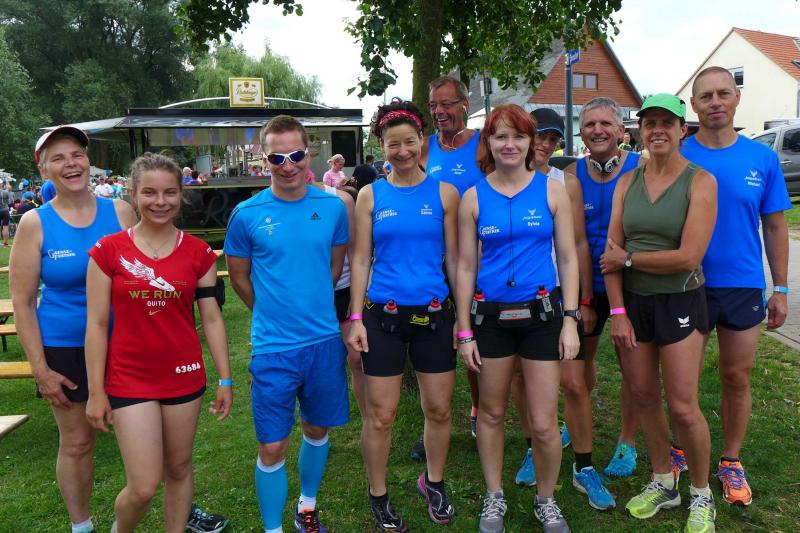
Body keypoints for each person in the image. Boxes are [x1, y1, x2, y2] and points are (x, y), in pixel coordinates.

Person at [85, 153, 233, 533]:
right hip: (129, 376)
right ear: (133, 194)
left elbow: (211, 318)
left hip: (184, 373)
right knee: (144, 485)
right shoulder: (107, 251)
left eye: (169, 192)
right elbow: (97, 325)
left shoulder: (199, 253)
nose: (160, 201)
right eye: (149, 192)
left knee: (179, 468)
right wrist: (96, 392)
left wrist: (225, 379)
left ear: (181, 195)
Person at [456, 104, 580, 533]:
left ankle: (547, 499)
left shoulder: (552, 191)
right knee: (491, 414)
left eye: (519, 136)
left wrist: (570, 319)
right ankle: (494, 496)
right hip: (490, 320)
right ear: (488, 142)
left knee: (544, 423)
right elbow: (466, 267)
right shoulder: (473, 198)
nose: (510, 144)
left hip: (542, 318)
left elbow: (568, 257)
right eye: (501, 136)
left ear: (530, 143)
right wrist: (464, 330)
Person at [224, 115, 349, 533]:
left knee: (316, 427)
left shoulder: (332, 207)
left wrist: (310, 305)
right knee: (273, 445)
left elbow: (334, 268)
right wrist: (270, 311)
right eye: (277, 157)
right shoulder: (246, 214)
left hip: (323, 341)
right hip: (273, 347)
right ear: (265, 159)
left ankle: (307, 506)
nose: (288, 165)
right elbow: (238, 277)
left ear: (309, 153)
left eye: (295, 154)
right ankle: (272, 528)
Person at [599, 93, 718, 532]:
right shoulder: (627, 182)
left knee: (683, 406)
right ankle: (664, 480)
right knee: (645, 396)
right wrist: (618, 311)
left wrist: (630, 259)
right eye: (649, 123)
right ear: (639, 131)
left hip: (680, 301)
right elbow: (609, 254)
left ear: (683, 129)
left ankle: (701, 494)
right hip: (634, 304)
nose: (657, 130)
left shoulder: (700, 181)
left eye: (667, 122)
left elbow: (688, 257)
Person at [10, 126, 137, 533]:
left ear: (88, 160)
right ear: (43, 168)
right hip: (65, 347)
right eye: (58, 158)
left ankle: (179, 508)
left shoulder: (121, 212)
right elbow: (23, 303)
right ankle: (81, 526)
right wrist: (40, 369)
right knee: (78, 443)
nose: (71, 164)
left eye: (77, 154)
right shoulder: (34, 223)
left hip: (125, 343)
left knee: (149, 435)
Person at [677, 66, 791, 507]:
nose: (715, 103)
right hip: (687, 284)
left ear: (737, 98)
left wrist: (781, 289)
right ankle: (681, 449)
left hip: (742, 285)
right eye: (706, 96)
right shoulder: (678, 154)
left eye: (723, 93)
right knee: (683, 382)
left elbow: (775, 226)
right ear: (694, 105)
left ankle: (730, 458)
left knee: (736, 376)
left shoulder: (761, 158)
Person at [347, 99, 459, 532]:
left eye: (410, 141)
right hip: (383, 318)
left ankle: (434, 481)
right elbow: (360, 259)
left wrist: (463, 320)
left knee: (439, 409)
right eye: (393, 144)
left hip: (434, 317)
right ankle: (378, 494)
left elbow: (455, 260)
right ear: (382, 146)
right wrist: (355, 318)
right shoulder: (370, 195)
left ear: (421, 142)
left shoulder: (445, 194)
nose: (403, 151)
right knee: (381, 414)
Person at [505, 107, 616, 511]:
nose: (545, 144)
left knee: (574, 382)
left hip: (557, 295)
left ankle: (584, 466)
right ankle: (533, 448)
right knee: (520, 377)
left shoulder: (565, 182)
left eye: (553, 139)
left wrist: (583, 301)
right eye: (540, 135)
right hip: (514, 297)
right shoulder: (498, 180)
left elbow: (579, 245)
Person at [563, 97, 646, 479]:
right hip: (586, 285)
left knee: (632, 366)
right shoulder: (571, 173)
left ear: (620, 130)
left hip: (633, 283)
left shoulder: (640, 167)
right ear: (581, 132)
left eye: (605, 124)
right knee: (582, 361)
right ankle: (576, 417)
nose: (597, 130)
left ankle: (627, 441)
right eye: (590, 124)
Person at [419, 75, 486, 454]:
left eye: (446, 104)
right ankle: (434, 419)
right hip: (433, 260)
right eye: (434, 105)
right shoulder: (424, 147)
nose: (439, 111)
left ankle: (479, 411)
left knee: (474, 336)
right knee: (434, 341)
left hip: (478, 258)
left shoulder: (482, 144)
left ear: (464, 104)